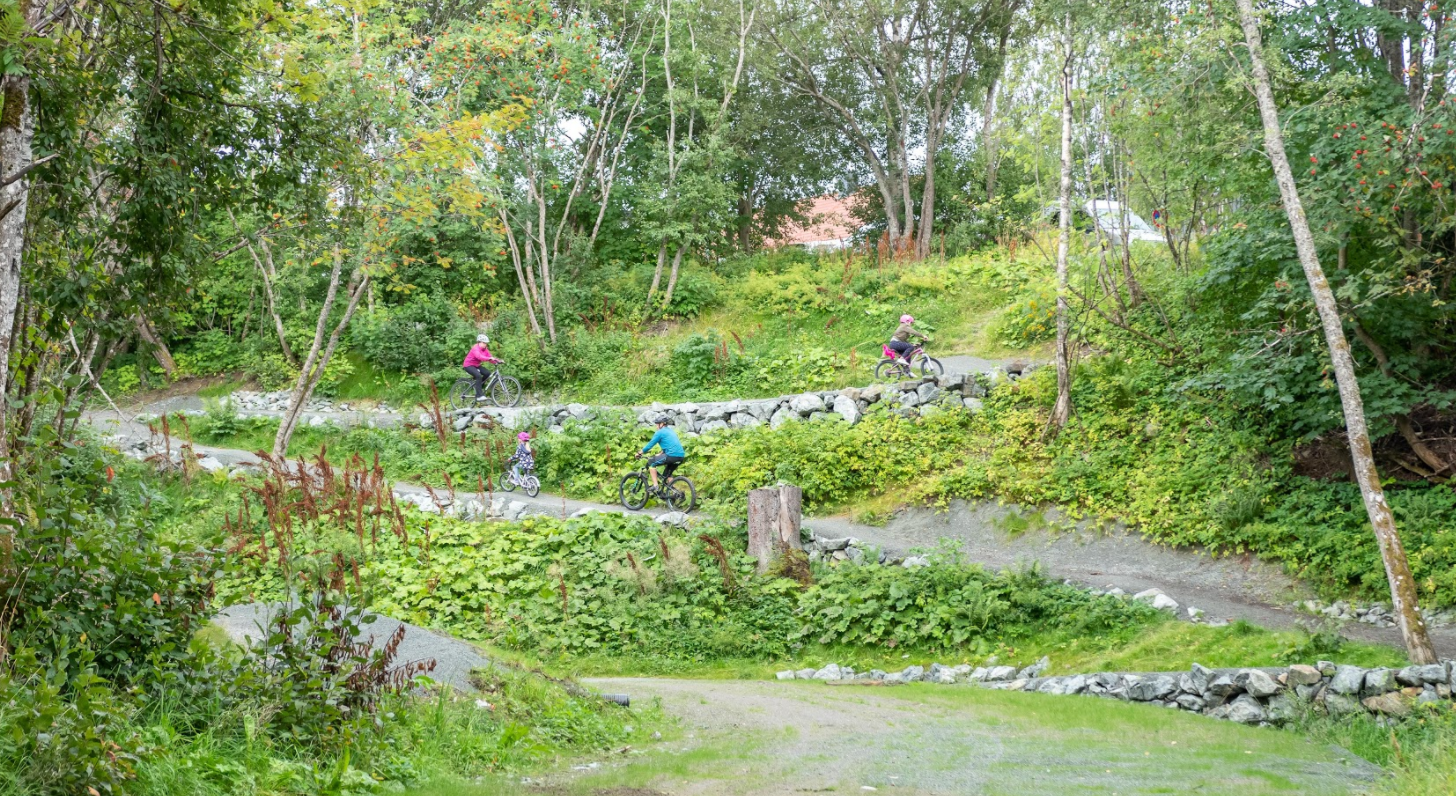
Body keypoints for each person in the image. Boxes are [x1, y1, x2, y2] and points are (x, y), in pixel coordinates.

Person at [639, 414, 686, 494]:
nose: (656, 426)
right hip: (680, 456)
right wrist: (661, 453)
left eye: (657, 424)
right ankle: (675, 493)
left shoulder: (660, 432)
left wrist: (640, 452)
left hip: (671, 456)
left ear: (661, 424)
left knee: (651, 462)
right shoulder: (671, 431)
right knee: (667, 475)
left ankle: (655, 485)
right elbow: (670, 445)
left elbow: (650, 445)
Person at [461, 334, 500, 402]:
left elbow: (490, 357)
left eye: (486, 343)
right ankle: (479, 396)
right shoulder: (475, 348)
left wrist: (497, 361)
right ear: (479, 342)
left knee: (487, 373)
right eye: (484, 343)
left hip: (476, 365)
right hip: (468, 365)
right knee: (478, 376)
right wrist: (489, 358)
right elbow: (479, 357)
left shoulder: (485, 349)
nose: (485, 344)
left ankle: (478, 389)